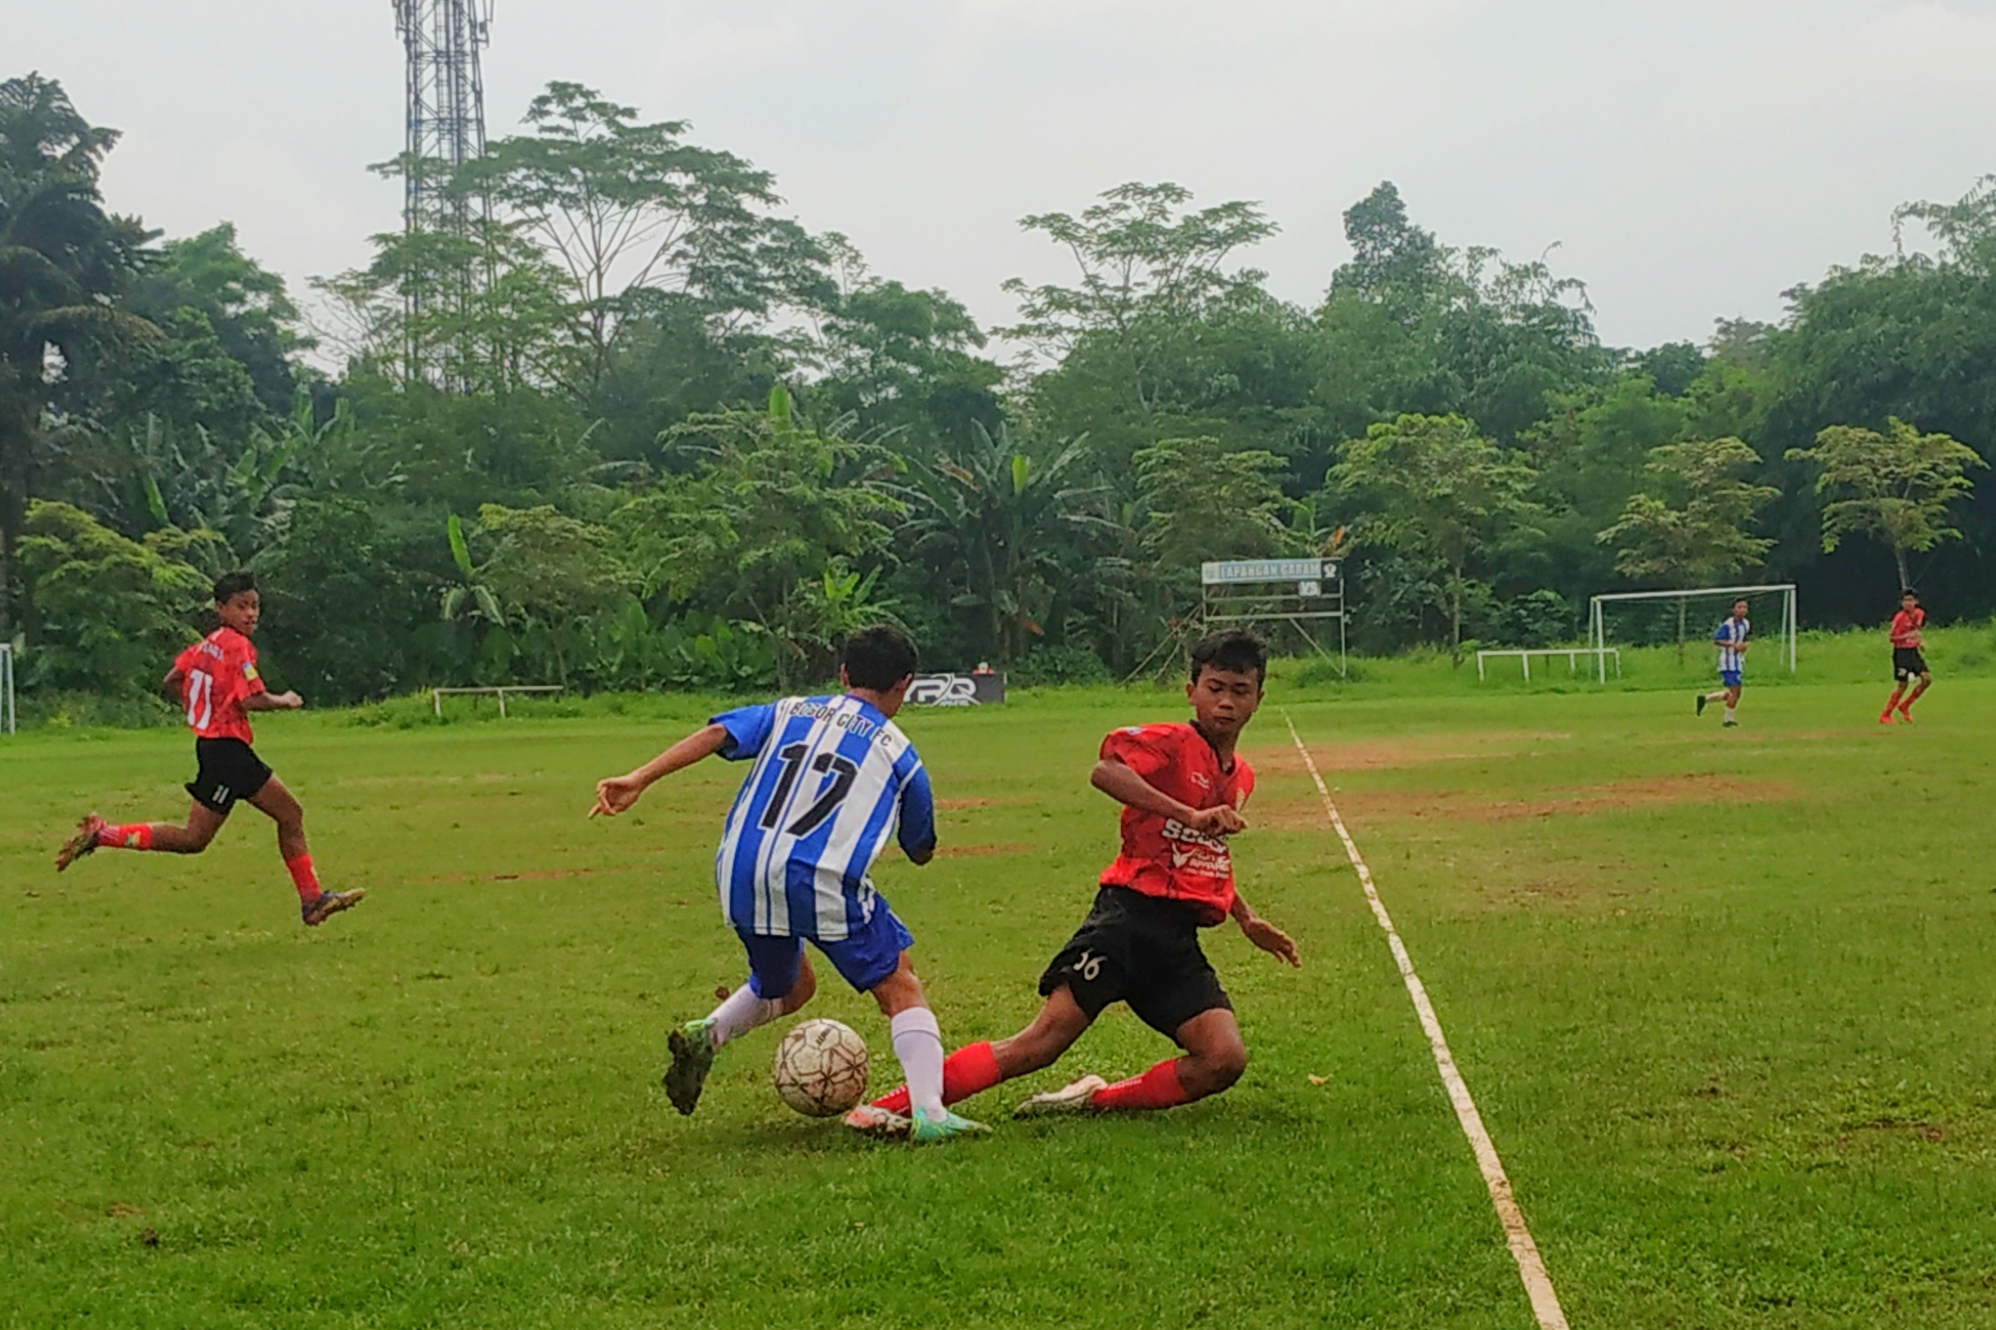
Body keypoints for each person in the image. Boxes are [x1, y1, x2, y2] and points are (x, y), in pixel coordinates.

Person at [850, 628, 1300, 1134]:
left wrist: (1246, 917)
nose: (1225, 702)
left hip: (1175, 940)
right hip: (1125, 921)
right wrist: (1188, 814)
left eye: (1240, 691)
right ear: (1191, 690)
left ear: (1259, 698)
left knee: (1223, 1059)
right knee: (1039, 1044)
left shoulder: (1241, 775)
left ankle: (1094, 1098)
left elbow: (1201, 850)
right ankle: (889, 1105)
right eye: (1214, 687)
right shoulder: (1172, 742)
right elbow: (1106, 771)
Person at [589, 625, 985, 1143]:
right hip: (817, 877)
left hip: (740, 869)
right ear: (905, 684)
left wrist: (638, 778)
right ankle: (932, 1114)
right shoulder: (900, 754)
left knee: (790, 985)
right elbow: (920, 849)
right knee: (899, 983)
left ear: (843, 674)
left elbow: (716, 735)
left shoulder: (789, 710)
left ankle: (709, 1033)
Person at [54, 571, 364, 927]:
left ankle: (103, 834)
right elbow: (251, 699)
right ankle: (312, 900)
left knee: (194, 838)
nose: (251, 614)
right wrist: (286, 701)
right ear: (221, 608)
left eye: (255, 606)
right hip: (229, 751)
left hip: (211, 748)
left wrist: (202, 711)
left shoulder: (205, 645)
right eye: (241, 606)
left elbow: (173, 679)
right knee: (290, 815)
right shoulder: (237, 646)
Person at [1696, 599, 1751, 728]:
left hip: (1738, 661)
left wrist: (1744, 646)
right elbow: (1717, 640)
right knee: (1735, 691)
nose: (1743, 610)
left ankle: (1706, 699)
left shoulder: (1746, 624)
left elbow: (1744, 639)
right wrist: (1733, 645)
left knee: (1736, 693)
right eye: (1740, 607)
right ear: (1734, 609)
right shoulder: (1729, 624)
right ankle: (1728, 720)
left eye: (1745, 607)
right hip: (1728, 662)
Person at [1882, 589, 1931, 724]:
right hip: (1901, 653)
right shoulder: (1899, 618)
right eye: (1905, 601)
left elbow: (1915, 630)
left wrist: (1919, 642)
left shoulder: (1920, 614)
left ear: (1916, 602)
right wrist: (1905, 637)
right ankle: (1886, 714)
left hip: (1913, 652)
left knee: (1926, 679)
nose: (1908, 603)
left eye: (1910, 600)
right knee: (1903, 684)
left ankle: (1905, 705)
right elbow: (1892, 638)